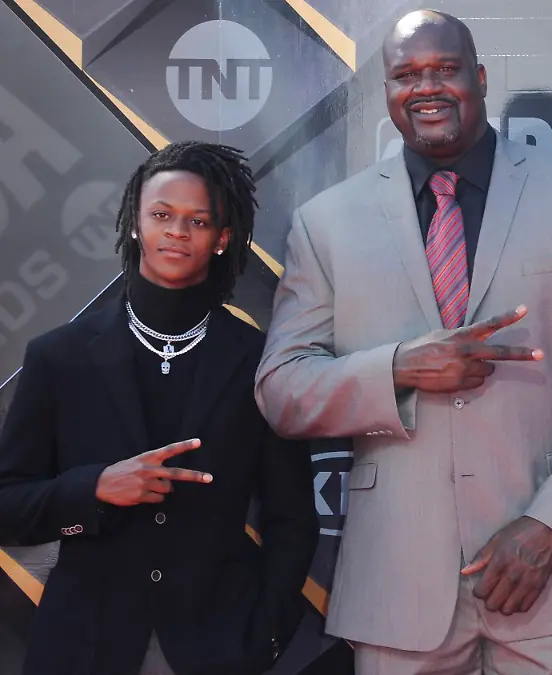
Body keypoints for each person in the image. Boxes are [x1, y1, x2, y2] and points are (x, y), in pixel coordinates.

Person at [253, 10, 552, 675]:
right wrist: (398, 368)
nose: (426, 88)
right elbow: (282, 390)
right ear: (384, 92)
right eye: (405, 75)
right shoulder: (326, 223)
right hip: (399, 597)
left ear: (478, 77)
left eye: (444, 70)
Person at [0, 141, 318, 675]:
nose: (177, 230)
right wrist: (93, 487)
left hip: (218, 646)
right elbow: (7, 504)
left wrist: (266, 631)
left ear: (222, 238)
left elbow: (292, 518)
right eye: (162, 215)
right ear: (133, 224)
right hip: (82, 647)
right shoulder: (59, 356)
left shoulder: (258, 362)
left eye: (198, 220)